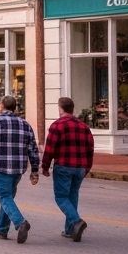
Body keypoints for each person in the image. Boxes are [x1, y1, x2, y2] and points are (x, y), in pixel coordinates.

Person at [0, 95, 40, 243]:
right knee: (8, 197)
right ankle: (1, 230)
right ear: (15, 107)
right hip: (19, 168)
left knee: (4, 197)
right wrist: (34, 169)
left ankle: (20, 222)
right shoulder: (25, 125)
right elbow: (33, 149)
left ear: (2, 106)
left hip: (2, 166)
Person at [42, 96, 94, 242]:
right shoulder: (84, 127)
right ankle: (70, 230)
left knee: (61, 197)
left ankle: (76, 221)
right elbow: (90, 149)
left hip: (64, 166)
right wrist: (87, 167)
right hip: (80, 167)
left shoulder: (57, 126)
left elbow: (49, 149)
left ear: (60, 109)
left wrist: (45, 166)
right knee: (72, 195)